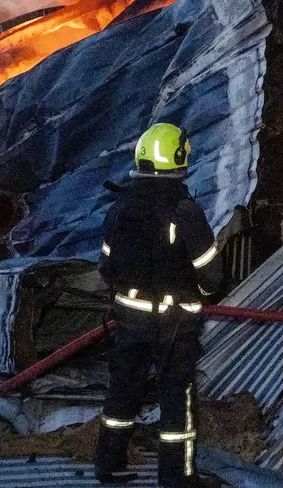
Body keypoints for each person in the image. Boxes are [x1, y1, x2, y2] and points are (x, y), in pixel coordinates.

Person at [95, 123, 224, 487]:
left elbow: (106, 267)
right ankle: (177, 477)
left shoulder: (118, 209)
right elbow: (212, 277)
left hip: (129, 319)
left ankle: (108, 464)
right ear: (179, 158)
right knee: (176, 395)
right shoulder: (185, 211)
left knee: (122, 388)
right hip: (174, 323)